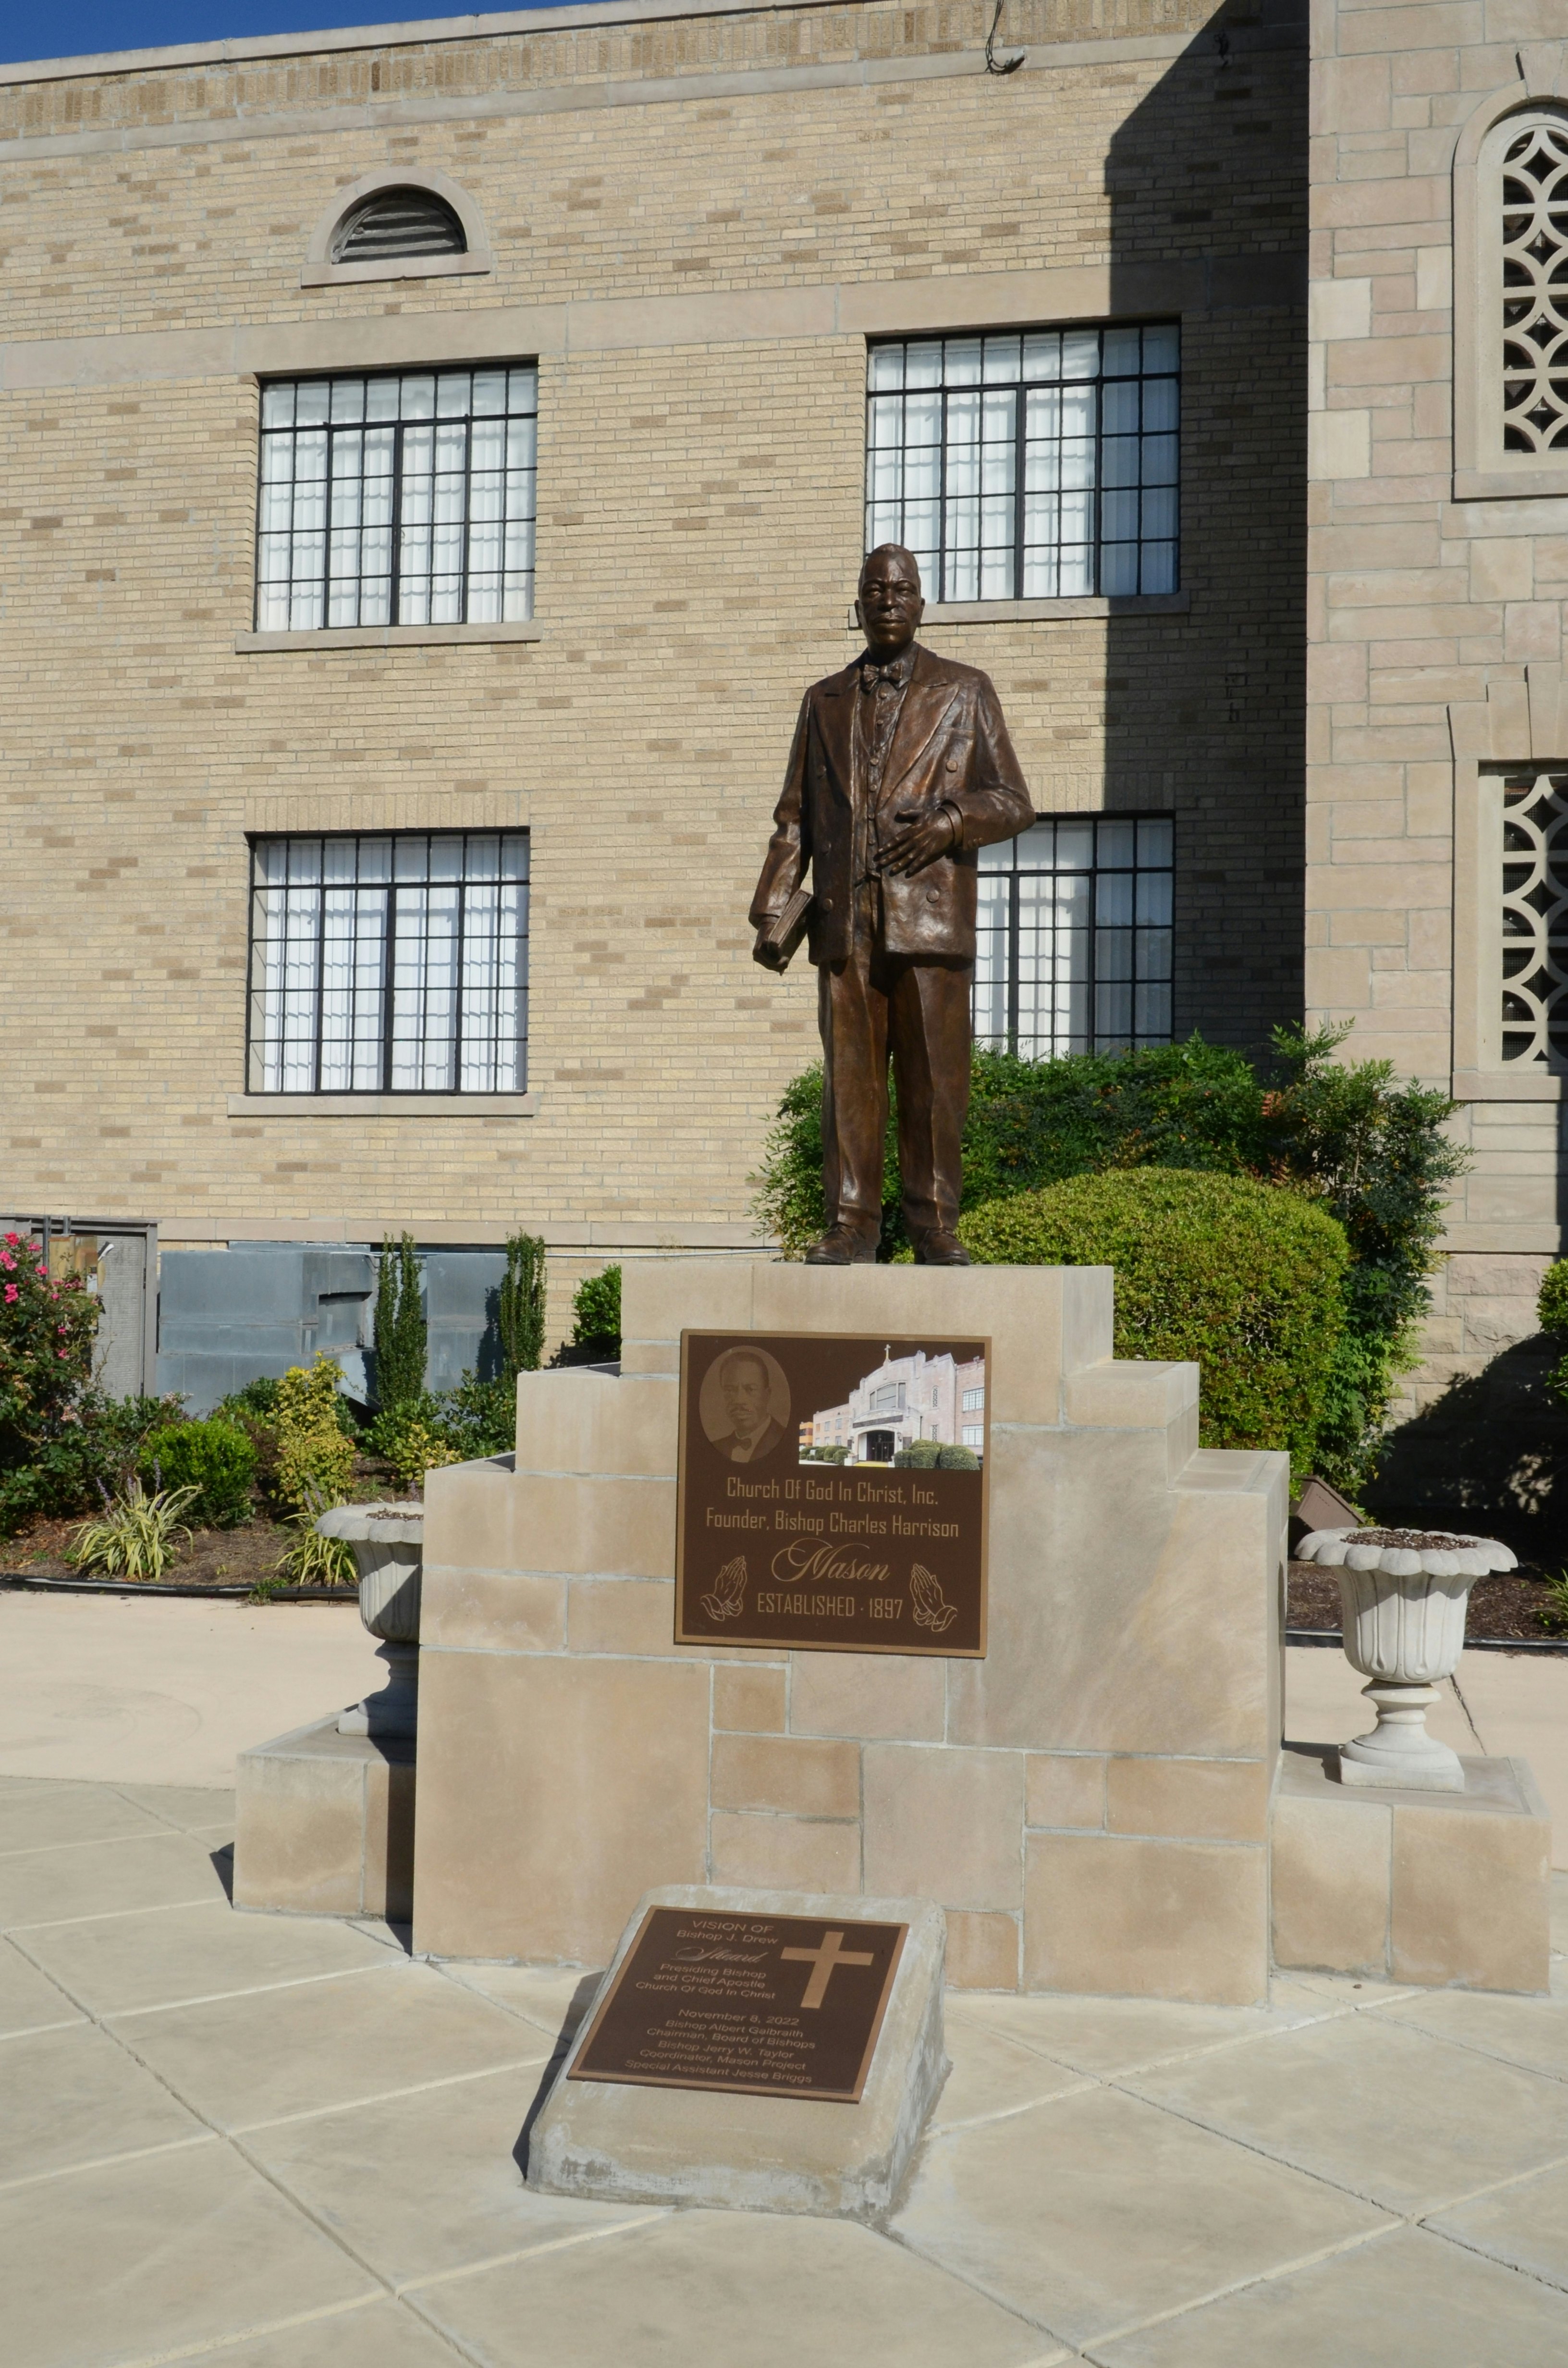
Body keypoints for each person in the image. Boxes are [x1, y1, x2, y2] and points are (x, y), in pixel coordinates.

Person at [750, 545, 1033, 1264]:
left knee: (935, 1079)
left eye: (901, 589)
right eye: (874, 590)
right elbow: (796, 816)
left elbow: (1014, 802)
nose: (888, 600)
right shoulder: (825, 700)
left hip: (929, 920)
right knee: (851, 1081)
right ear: (859, 604)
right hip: (847, 921)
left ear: (921, 602)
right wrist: (773, 905)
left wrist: (951, 821)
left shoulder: (966, 690)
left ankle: (935, 1223)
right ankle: (852, 1224)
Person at [707, 1346, 787, 1462]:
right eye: (730, 1390)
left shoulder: (785, 1440)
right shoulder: (716, 1447)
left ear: (767, 1395)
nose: (739, 1401)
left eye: (750, 1389)